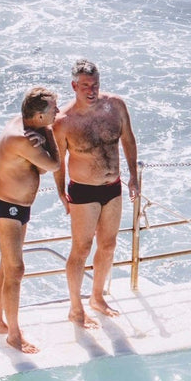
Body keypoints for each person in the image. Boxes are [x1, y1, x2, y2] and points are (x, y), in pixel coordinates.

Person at [53, 60, 139, 328]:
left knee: (109, 244)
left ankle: (97, 297)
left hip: (113, 187)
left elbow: (128, 140)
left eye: (95, 85)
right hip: (82, 191)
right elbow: (59, 161)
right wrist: (60, 193)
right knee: (81, 248)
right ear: (74, 86)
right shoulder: (64, 121)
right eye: (85, 86)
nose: (91, 90)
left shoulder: (116, 106)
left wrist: (133, 177)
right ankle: (75, 309)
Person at [0, 88, 60, 353]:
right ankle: (14, 334)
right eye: (54, 110)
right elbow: (54, 166)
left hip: (18, 209)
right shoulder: (22, 138)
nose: (59, 112)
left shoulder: (30, 129)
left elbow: (41, 166)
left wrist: (43, 141)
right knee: (16, 270)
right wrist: (49, 137)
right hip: (8, 209)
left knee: (7, 266)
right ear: (39, 115)